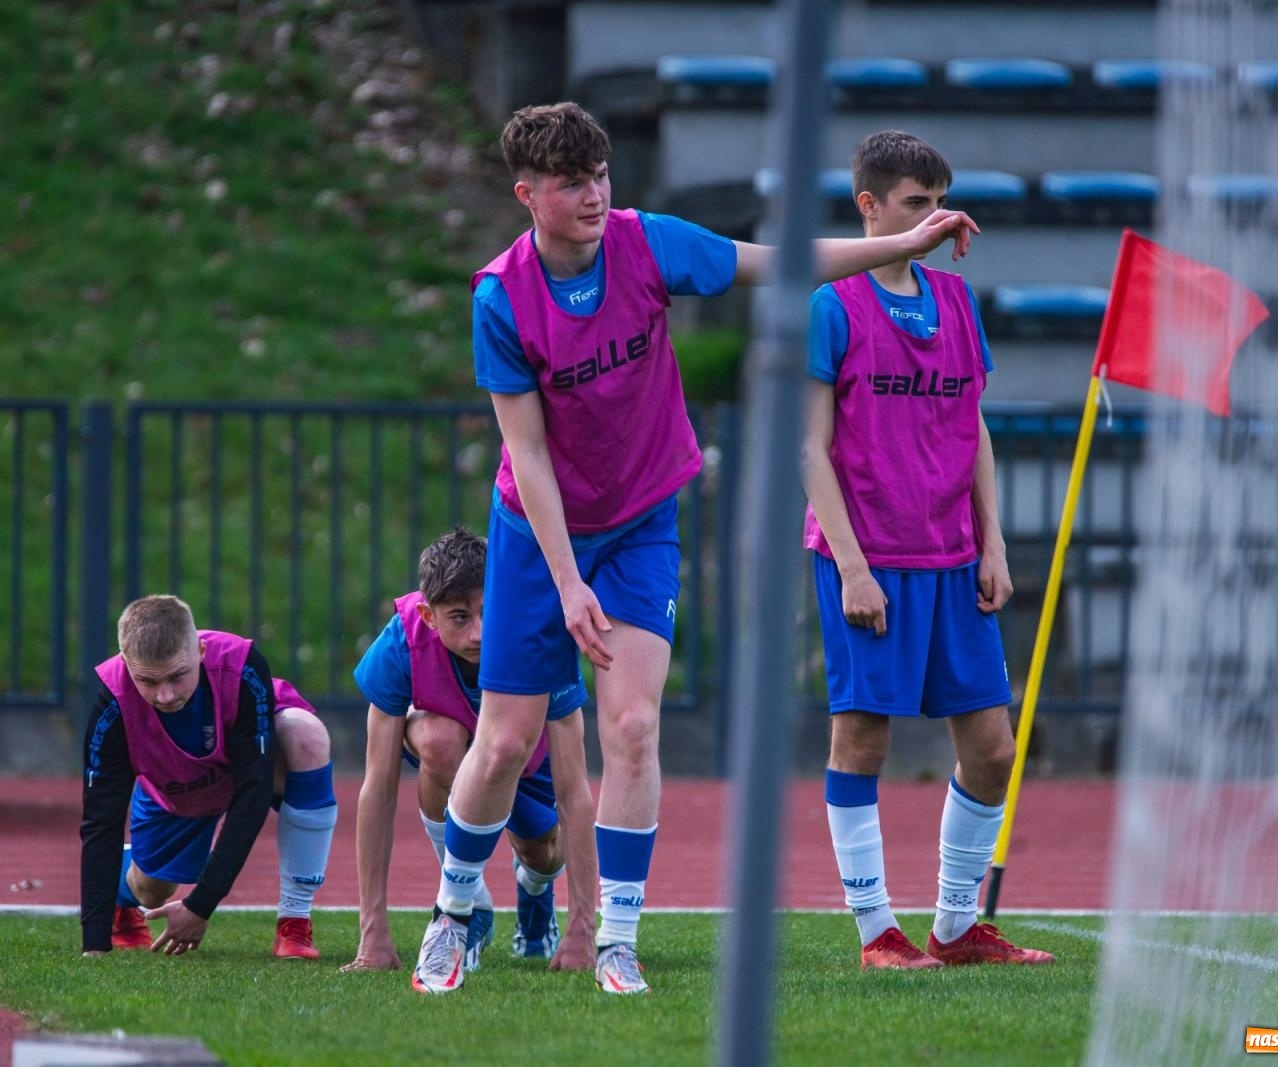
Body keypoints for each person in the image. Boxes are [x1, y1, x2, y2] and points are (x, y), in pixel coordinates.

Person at [410, 102, 983, 996]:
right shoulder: (502, 297)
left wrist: (906, 242)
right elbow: (528, 455)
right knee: (505, 740)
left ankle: (617, 938)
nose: (595, 195)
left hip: (641, 519)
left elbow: (779, 264)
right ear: (528, 195)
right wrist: (567, 582)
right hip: (539, 533)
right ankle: (451, 914)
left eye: (601, 176)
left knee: (634, 727)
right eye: (572, 183)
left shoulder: (648, 243)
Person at [801, 130, 1052, 969]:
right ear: (869, 206)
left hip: (953, 556)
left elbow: (971, 425)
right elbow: (809, 449)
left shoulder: (955, 300)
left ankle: (954, 927)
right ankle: (877, 931)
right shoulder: (832, 304)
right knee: (862, 739)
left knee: (993, 749)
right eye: (917, 204)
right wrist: (852, 566)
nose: (936, 219)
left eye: (941, 202)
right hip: (869, 556)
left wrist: (993, 541)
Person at [342, 527, 598, 978]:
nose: (478, 633)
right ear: (428, 615)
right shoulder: (399, 644)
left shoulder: (537, 634)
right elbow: (377, 789)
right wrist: (372, 931)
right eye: (459, 617)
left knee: (542, 853)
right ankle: (468, 900)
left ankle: (535, 888)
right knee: (438, 741)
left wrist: (583, 927)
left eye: (487, 611)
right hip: (456, 752)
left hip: (527, 757)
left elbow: (574, 790)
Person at [79, 595, 338, 960]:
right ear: (125, 664)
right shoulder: (112, 705)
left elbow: (253, 791)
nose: (165, 695)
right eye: (147, 681)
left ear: (200, 651)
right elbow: (100, 820)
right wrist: (94, 944)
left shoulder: (242, 667)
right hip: (177, 786)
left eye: (177, 675)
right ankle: (124, 890)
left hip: (251, 762)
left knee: (304, 736)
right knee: (151, 890)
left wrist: (200, 904)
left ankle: (294, 922)